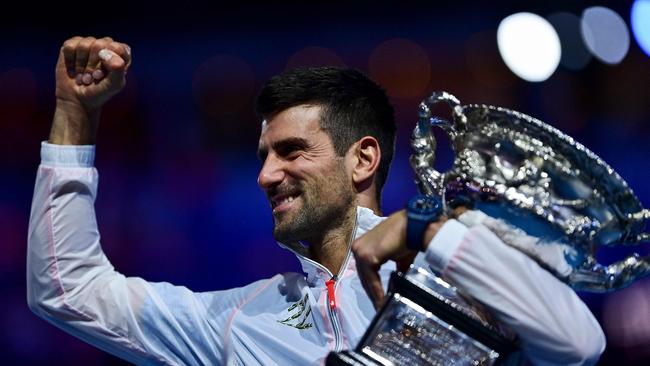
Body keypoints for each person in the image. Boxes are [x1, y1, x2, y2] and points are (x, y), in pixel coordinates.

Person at [27, 36, 605, 365]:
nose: (266, 175)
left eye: (292, 151)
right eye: (262, 156)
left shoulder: (455, 263)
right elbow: (67, 289)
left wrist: (426, 231)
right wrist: (75, 117)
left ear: (363, 159)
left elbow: (580, 345)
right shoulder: (233, 323)